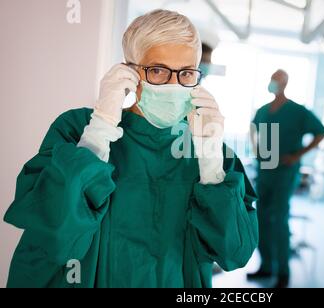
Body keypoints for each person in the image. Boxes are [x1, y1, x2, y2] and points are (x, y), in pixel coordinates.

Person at [4, 9, 258, 288]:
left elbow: (234, 253)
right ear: (129, 72)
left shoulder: (211, 153)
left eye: (185, 73)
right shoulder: (77, 128)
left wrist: (210, 161)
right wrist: (100, 129)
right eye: (158, 70)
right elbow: (53, 233)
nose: (174, 85)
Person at [248, 69, 324, 288]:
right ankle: (266, 266)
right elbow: (253, 129)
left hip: (284, 171)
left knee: (279, 218)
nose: (273, 82)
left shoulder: (298, 111)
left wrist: (297, 155)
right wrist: (256, 149)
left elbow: (321, 132)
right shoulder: (263, 110)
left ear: (285, 83)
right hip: (265, 169)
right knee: (262, 218)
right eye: (271, 78)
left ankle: (283, 271)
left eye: (277, 79)